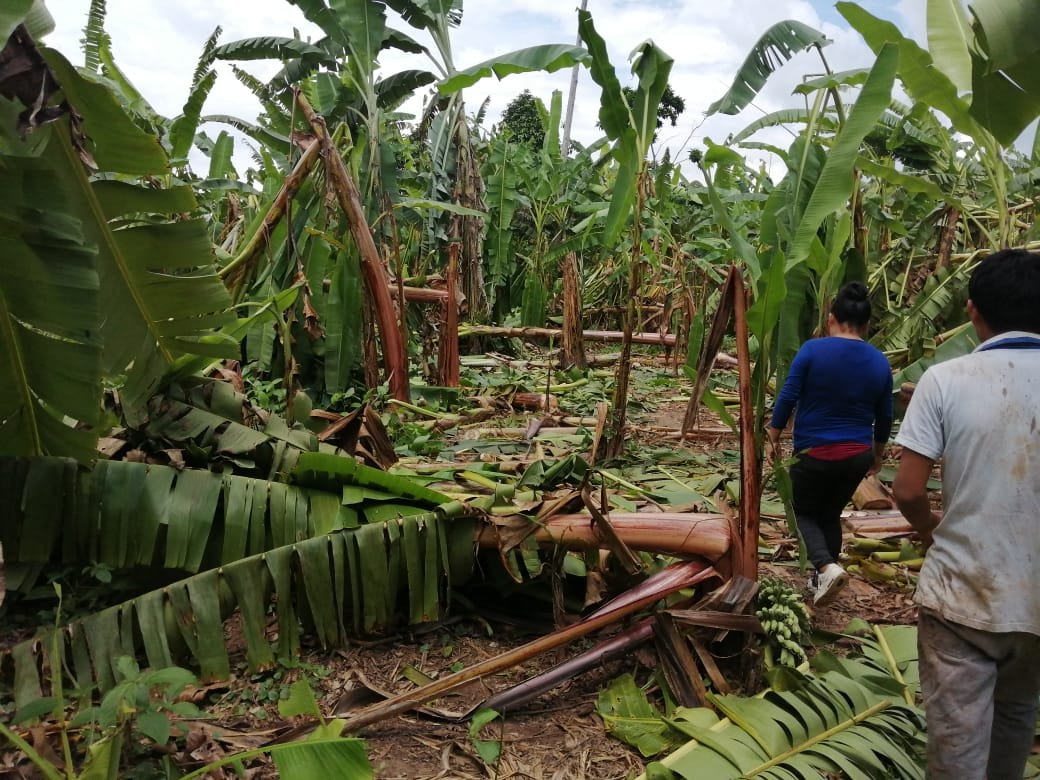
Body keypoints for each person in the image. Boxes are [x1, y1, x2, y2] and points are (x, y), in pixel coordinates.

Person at [893, 249, 1040, 780]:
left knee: (958, 743)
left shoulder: (943, 379)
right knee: (1018, 714)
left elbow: (908, 490)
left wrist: (930, 532)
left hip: (963, 592)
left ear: (973, 312)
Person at [767, 282, 893, 605]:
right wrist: (877, 456)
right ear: (866, 325)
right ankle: (822, 579)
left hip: (815, 451)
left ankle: (824, 565)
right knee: (830, 513)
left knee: (801, 512)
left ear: (831, 319)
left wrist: (773, 434)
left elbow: (788, 395)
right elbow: (885, 415)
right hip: (857, 455)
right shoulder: (879, 361)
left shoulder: (813, 350)